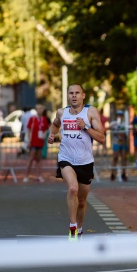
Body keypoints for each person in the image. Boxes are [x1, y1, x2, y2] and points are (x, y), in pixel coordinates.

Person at [47, 84, 105, 241]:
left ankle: (79, 228)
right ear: (67, 96)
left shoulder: (91, 112)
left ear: (83, 95)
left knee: (81, 201)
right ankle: (72, 227)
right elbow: (55, 124)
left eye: (77, 93)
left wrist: (85, 126)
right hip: (66, 158)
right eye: (71, 93)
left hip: (85, 161)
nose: (74, 96)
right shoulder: (62, 112)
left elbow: (102, 138)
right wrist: (51, 136)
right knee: (73, 188)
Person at [23, 104, 49, 182]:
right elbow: (28, 130)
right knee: (31, 158)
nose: (39, 110)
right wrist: (28, 140)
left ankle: (38, 175)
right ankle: (26, 175)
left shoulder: (44, 119)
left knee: (39, 159)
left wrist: (44, 134)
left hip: (40, 141)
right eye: (38, 109)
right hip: (33, 141)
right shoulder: (32, 118)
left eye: (41, 109)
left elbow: (46, 128)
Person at [110, 110, 129, 181]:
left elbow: (128, 130)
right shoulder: (114, 123)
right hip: (116, 143)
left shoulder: (124, 123)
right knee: (115, 157)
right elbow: (109, 128)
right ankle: (112, 173)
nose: (119, 117)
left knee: (124, 158)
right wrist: (114, 125)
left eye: (121, 115)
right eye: (118, 115)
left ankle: (123, 173)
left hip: (123, 143)